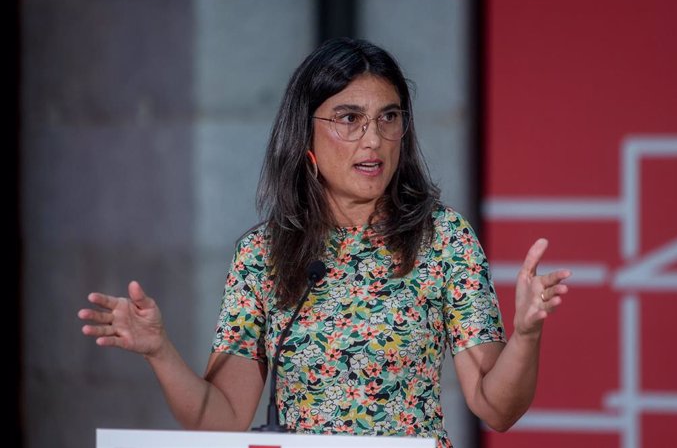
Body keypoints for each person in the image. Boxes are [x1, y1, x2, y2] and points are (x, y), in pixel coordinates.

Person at [78, 37, 571, 448]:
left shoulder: (442, 238)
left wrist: (526, 336)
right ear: (306, 134)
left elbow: (496, 408)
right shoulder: (263, 253)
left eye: (389, 117)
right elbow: (223, 418)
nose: (373, 140)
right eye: (349, 118)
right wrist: (160, 351)